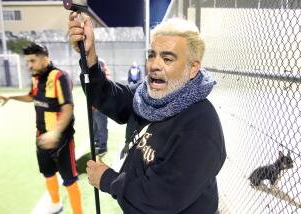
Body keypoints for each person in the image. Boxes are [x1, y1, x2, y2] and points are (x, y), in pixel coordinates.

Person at [69, 13, 226, 214]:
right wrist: (89, 55)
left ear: (192, 68)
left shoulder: (201, 125)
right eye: (152, 55)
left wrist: (108, 179)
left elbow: (161, 200)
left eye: (167, 58)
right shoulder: (146, 97)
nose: (154, 64)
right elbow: (106, 96)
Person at [0, 43, 82, 214]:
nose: (29, 66)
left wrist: (55, 133)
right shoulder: (36, 78)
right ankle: (56, 204)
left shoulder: (59, 77)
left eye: (32, 61)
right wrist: (11, 96)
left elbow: (67, 107)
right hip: (41, 136)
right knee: (48, 173)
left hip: (61, 140)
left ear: (45, 58)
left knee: (69, 180)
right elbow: (31, 96)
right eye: (27, 62)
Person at [92, 58, 110, 156]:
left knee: (101, 127)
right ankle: (97, 143)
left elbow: (103, 94)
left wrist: (96, 105)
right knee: (95, 126)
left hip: (100, 108)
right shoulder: (96, 76)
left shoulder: (104, 77)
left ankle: (103, 147)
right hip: (94, 107)